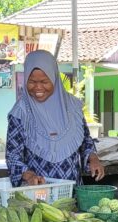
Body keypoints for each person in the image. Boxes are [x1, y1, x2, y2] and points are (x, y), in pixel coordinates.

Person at [6, 50, 105, 186]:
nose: (38, 87)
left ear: (54, 78)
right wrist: (28, 175)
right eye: (32, 81)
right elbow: (13, 155)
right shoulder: (20, 113)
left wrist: (93, 158)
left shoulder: (72, 107)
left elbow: (85, 141)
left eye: (44, 81)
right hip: (38, 196)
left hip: (72, 194)